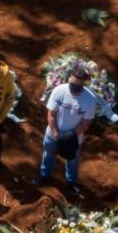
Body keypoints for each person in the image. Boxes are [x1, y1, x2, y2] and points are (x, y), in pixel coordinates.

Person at [33, 65, 96, 197]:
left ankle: (71, 182)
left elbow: (86, 123)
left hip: (74, 138)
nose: (74, 87)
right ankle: (44, 175)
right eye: (73, 83)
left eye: (78, 85)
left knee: (72, 160)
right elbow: (51, 115)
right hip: (53, 134)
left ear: (84, 84)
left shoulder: (89, 99)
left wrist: (70, 135)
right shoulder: (59, 91)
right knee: (48, 155)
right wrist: (56, 133)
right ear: (69, 78)